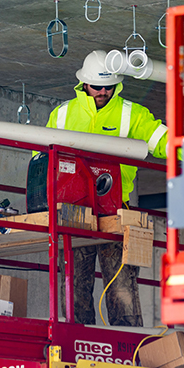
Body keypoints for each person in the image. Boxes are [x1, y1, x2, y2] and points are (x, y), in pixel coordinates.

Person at [46, 49, 169, 327]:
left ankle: (129, 345)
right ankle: (77, 341)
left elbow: (161, 139)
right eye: (97, 86)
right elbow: (42, 160)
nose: (103, 91)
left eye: (109, 86)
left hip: (115, 211)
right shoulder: (63, 114)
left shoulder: (132, 114)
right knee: (74, 283)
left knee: (122, 286)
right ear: (84, 84)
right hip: (72, 212)